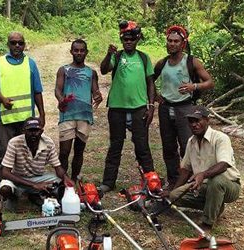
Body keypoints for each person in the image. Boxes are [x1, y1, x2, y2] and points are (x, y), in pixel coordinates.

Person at [154, 25, 214, 189]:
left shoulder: (191, 62)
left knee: (188, 145)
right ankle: (173, 181)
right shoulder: (162, 63)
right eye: (170, 41)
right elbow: (150, 80)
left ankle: (191, 181)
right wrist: (156, 96)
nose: (172, 44)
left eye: (176, 41)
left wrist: (193, 86)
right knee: (168, 147)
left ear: (183, 44)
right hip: (166, 108)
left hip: (185, 108)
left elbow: (209, 82)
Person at [162, 106, 241, 230]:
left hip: (229, 185)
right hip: (204, 186)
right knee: (174, 196)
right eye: (191, 121)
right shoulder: (191, 141)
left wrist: (203, 174)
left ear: (207, 120)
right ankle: (215, 206)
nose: (194, 124)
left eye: (197, 120)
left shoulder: (220, 138)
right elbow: (186, 170)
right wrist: (174, 190)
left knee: (217, 181)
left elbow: (224, 164)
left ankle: (207, 223)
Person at [99, 20, 155, 192]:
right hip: (117, 108)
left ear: (137, 39)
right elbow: (103, 70)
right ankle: (108, 182)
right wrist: (109, 54)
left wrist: (151, 105)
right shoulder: (117, 56)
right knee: (115, 145)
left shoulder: (144, 58)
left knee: (142, 146)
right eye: (125, 39)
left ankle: (151, 181)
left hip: (139, 108)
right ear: (122, 40)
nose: (128, 42)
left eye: (131, 39)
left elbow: (150, 83)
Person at [0, 31, 45, 184]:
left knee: (25, 154)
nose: (17, 45)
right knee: (4, 154)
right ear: (8, 44)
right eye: (13, 42)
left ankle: (24, 187)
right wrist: (2, 100)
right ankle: (5, 189)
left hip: (26, 120)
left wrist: (42, 115)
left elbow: (37, 91)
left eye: (20, 42)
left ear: (24, 44)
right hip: (4, 119)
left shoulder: (30, 64)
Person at [0, 117, 75, 210]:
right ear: (24, 131)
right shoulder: (14, 142)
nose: (33, 134)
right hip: (17, 178)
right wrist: (32, 184)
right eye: (30, 131)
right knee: (5, 189)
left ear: (41, 131)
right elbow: (5, 172)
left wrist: (65, 178)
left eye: (36, 130)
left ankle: (34, 195)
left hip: (38, 178)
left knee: (60, 180)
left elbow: (57, 167)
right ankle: (15, 198)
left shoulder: (48, 143)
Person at [55, 39, 103, 182]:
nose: (79, 53)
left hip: (84, 116)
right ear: (71, 52)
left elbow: (95, 90)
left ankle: (74, 179)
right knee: (64, 152)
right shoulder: (63, 70)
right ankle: (63, 180)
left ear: (86, 52)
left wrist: (98, 96)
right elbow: (57, 89)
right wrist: (61, 99)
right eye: (76, 50)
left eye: (82, 50)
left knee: (79, 151)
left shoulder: (91, 72)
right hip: (67, 115)